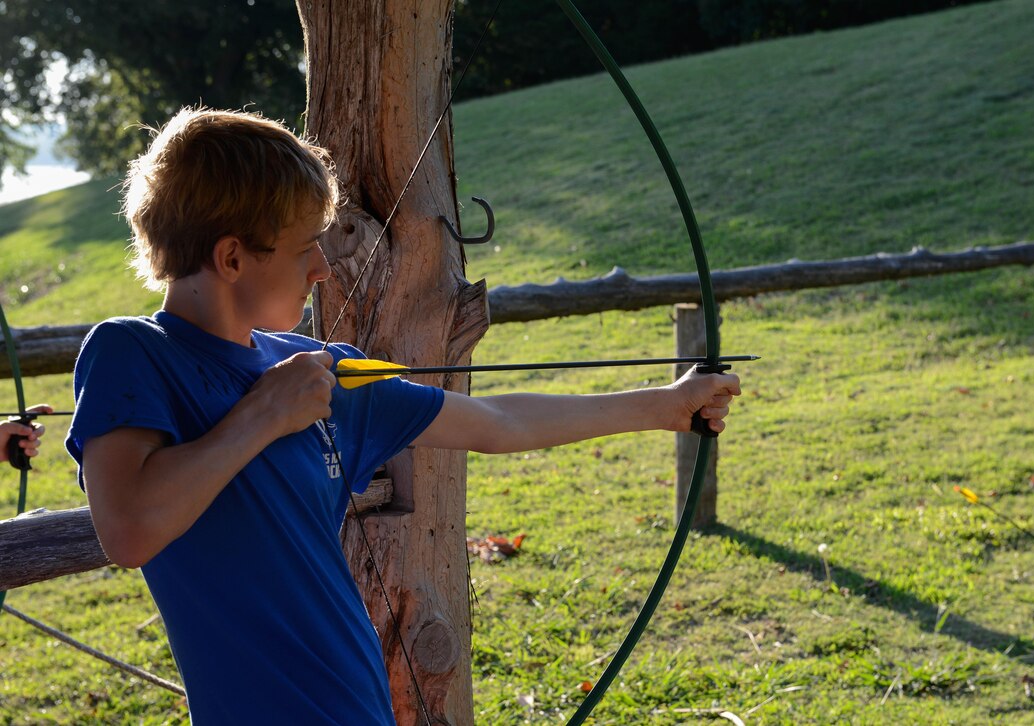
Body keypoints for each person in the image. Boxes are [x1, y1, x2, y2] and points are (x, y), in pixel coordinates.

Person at [64, 107, 741, 723]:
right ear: (232, 256)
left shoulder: (315, 369)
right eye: (306, 247)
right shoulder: (134, 354)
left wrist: (666, 405)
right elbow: (129, 531)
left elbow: (497, 424)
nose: (324, 269)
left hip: (357, 702)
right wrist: (265, 414)